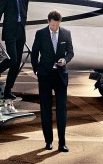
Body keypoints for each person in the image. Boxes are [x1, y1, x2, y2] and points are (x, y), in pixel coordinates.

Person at [31, 10, 74, 152]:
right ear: (48, 22)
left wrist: (65, 60)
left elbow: (71, 52)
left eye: (57, 25)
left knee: (62, 110)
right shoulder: (41, 33)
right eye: (53, 25)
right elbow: (34, 53)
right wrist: (37, 70)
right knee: (45, 110)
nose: (55, 28)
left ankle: (62, 143)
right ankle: (48, 141)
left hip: (61, 76)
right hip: (45, 76)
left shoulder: (66, 33)